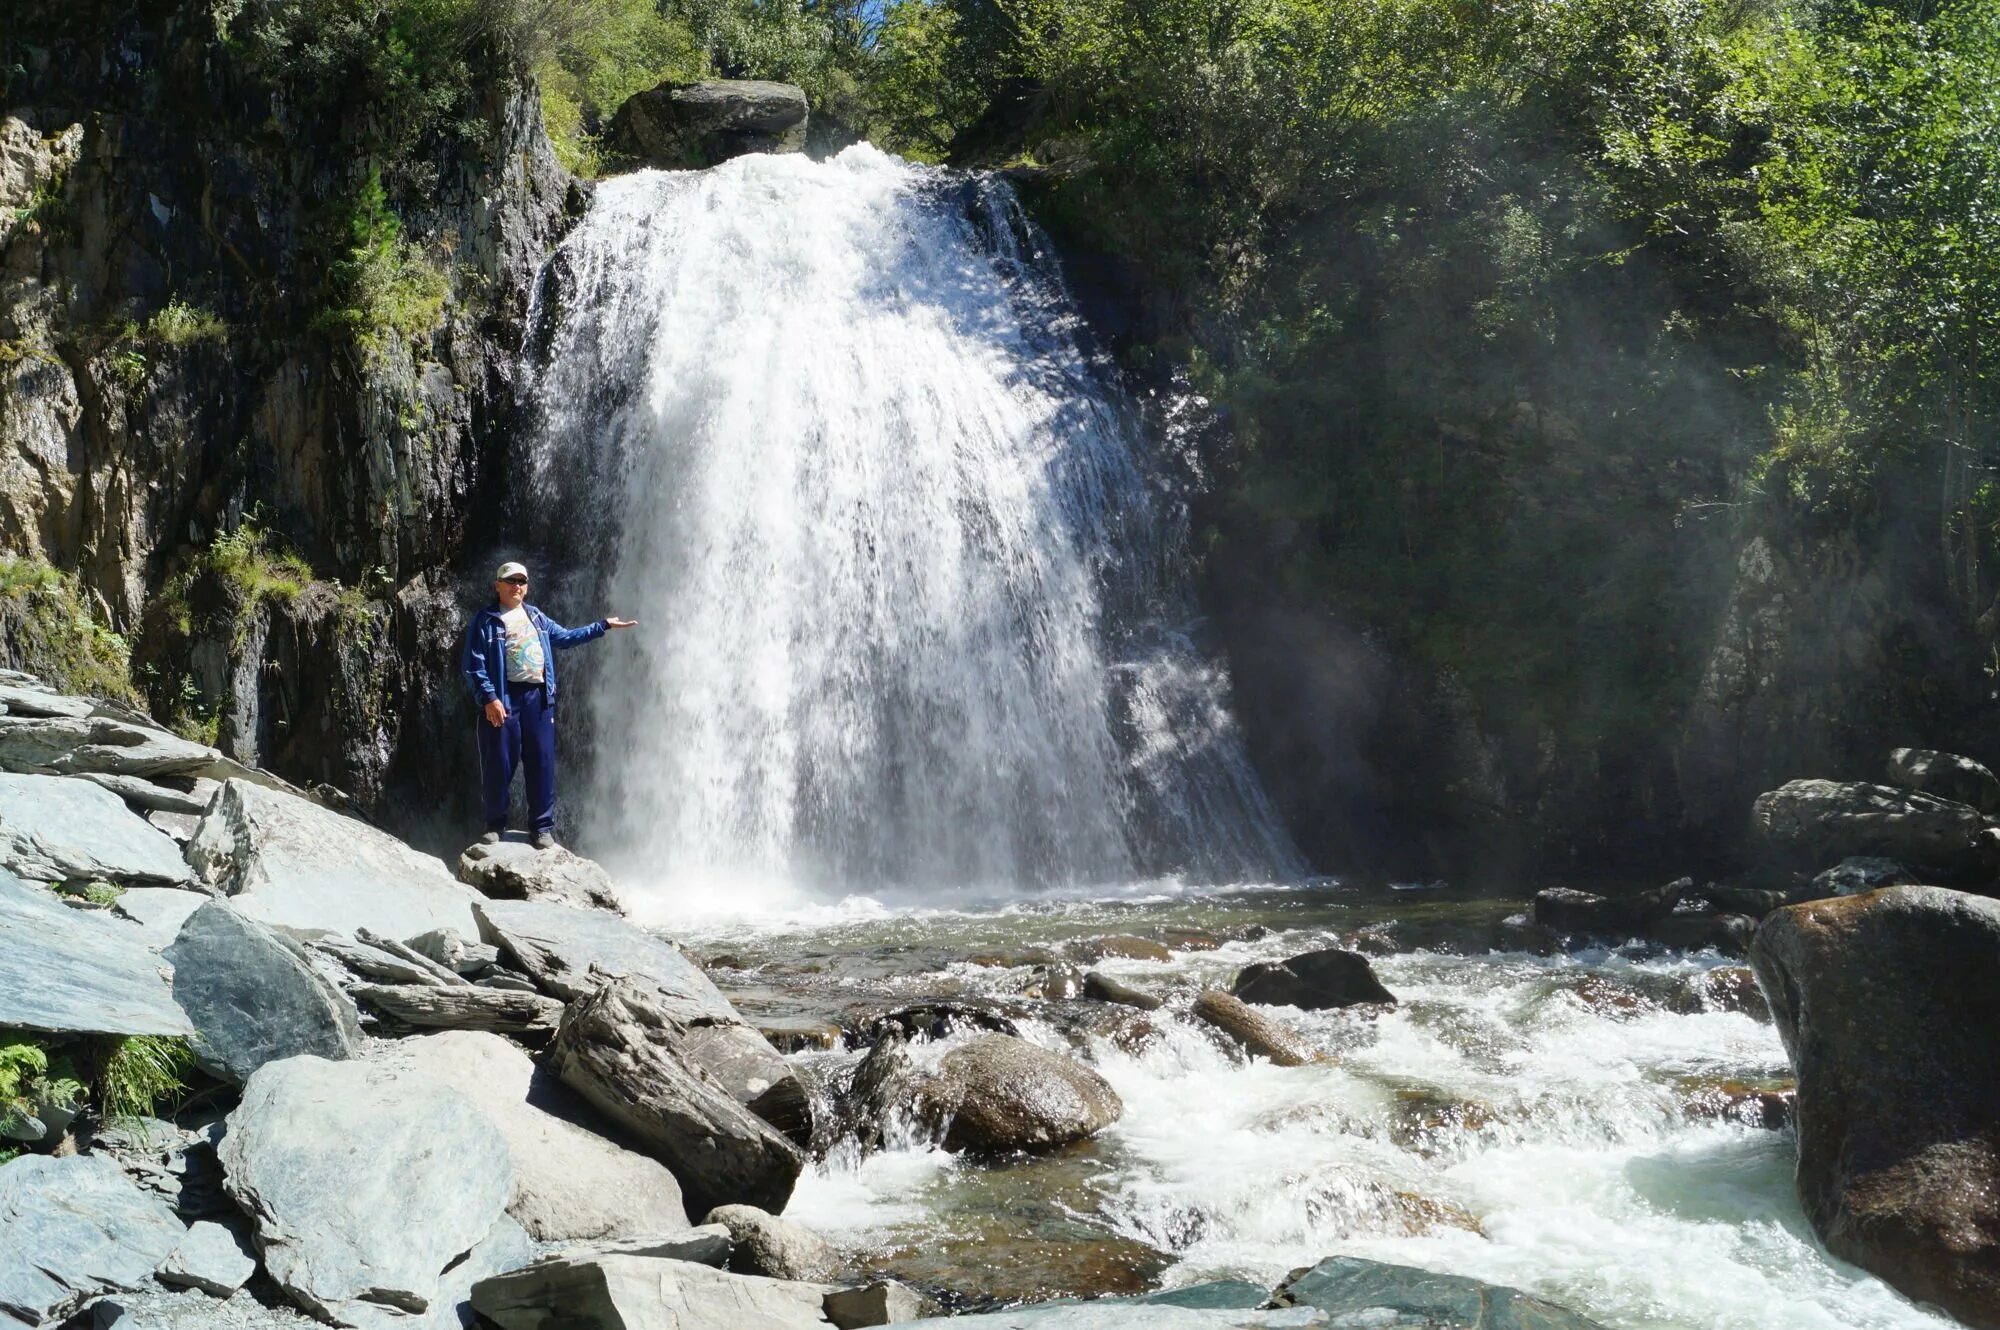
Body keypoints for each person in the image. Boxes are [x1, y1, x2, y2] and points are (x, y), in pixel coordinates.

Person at [460, 560, 635, 848]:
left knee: (541, 763)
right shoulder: (485, 620)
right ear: (497, 586)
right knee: (498, 764)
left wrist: (602, 626)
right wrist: (489, 698)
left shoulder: (537, 618)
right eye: (511, 581)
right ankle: (495, 825)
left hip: (538, 699)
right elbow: (473, 665)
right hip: (504, 699)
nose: (517, 586)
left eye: (521, 581)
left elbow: (565, 638)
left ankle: (541, 827)